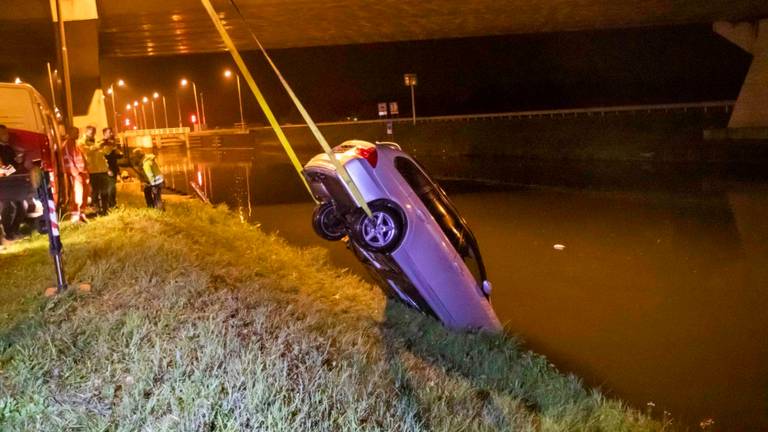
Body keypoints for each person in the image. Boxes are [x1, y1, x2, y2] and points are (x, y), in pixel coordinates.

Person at [0, 125, 24, 245]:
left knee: (20, 206)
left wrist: (18, 163)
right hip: (4, 184)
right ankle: (9, 234)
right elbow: (2, 170)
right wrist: (14, 166)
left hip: (13, 182)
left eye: (7, 133)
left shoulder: (8, 148)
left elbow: (12, 165)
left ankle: (14, 231)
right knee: (9, 208)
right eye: (4, 133)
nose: (7, 135)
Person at [62, 126, 89, 223]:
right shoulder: (67, 144)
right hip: (76, 174)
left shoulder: (75, 144)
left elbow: (81, 158)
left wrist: (85, 171)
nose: (78, 134)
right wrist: (75, 173)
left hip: (82, 173)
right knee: (77, 195)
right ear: (70, 133)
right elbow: (69, 159)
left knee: (84, 194)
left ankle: (82, 214)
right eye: (76, 132)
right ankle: (75, 217)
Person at [82, 126, 109, 215]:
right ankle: (96, 209)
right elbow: (86, 151)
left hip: (102, 169)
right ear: (86, 132)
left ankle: (105, 209)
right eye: (91, 132)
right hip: (92, 170)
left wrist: (107, 145)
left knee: (104, 191)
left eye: (94, 132)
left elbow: (106, 152)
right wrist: (98, 146)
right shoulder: (82, 142)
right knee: (95, 191)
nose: (93, 134)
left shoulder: (98, 141)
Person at [101, 127, 121, 209]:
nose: (111, 134)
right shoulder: (103, 144)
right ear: (105, 134)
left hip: (114, 167)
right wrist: (108, 169)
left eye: (111, 132)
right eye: (109, 132)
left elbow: (115, 155)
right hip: (108, 168)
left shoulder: (111, 143)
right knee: (110, 187)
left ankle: (113, 203)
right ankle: (111, 204)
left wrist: (118, 153)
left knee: (113, 186)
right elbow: (104, 157)